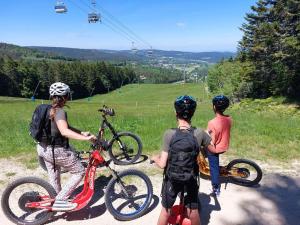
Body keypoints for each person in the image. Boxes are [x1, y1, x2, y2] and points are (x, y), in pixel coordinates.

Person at [151, 95, 216, 225]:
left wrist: (155, 158)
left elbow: (163, 164)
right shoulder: (200, 133)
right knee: (193, 211)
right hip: (190, 177)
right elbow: (213, 150)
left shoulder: (169, 134)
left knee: (165, 211)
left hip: (172, 178)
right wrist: (209, 136)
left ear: (176, 113)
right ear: (193, 113)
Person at [37, 82, 96, 210]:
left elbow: (63, 126)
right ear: (64, 96)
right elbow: (64, 131)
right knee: (79, 172)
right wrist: (86, 138)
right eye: (68, 95)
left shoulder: (48, 109)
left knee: (54, 176)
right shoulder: (59, 111)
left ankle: (55, 200)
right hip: (56, 150)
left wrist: (81, 132)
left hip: (42, 148)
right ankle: (59, 201)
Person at [206, 95, 232, 196]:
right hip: (225, 145)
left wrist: (205, 135)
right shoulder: (229, 118)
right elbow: (220, 131)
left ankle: (216, 187)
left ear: (214, 107)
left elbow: (212, 142)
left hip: (216, 149)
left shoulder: (212, 122)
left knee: (213, 167)